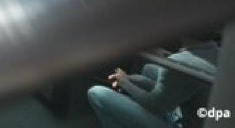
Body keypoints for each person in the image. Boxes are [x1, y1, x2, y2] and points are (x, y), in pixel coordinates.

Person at [87, 40, 219, 128]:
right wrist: (132, 80)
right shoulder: (217, 51)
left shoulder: (181, 61)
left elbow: (155, 105)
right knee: (148, 69)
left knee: (97, 93)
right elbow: (175, 92)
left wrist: (125, 83)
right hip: (197, 115)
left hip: (179, 123)